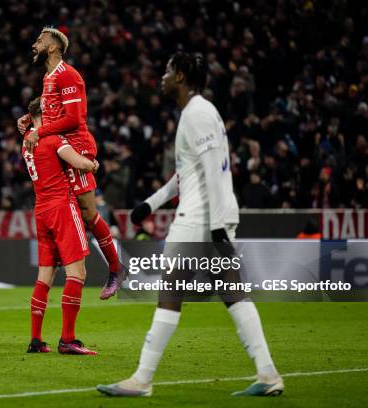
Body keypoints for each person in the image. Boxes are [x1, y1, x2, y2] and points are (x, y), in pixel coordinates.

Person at [98, 52, 283, 397]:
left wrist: (214, 227)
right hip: (211, 214)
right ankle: (269, 374)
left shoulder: (196, 114)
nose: (163, 77)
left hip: (200, 217)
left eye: (168, 71)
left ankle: (142, 379)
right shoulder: (199, 113)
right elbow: (187, 175)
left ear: (181, 76)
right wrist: (149, 205)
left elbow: (213, 168)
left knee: (170, 292)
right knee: (234, 294)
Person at [17, 27, 121, 300]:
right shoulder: (48, 77)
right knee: (67, 209)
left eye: (39, 40)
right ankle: (70, 260)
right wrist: (30, 119)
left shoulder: (69, 75)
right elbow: (51, 109)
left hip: (77, 147)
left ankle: (115, 268)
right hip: (60, 148)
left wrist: (40, 132)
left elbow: (74, 118)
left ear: (53, 47)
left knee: (87, 212)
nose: (34, 44)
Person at [24, 97, 98, 355]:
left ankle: (36, 339)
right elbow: (79, 162)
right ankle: (68, 339)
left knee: (45, 276)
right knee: (77, 273)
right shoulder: (54, 139)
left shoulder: (27, 143)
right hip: (62, 208)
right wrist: (92, 164)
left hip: (41, 210)